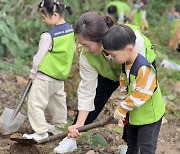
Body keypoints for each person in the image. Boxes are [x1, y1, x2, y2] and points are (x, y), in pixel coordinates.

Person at [53, 12, 156, 154]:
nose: (84, 49)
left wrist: (122, 109)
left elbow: (137, 92)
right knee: (96, 97)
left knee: (134, 103)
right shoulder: (87, 56)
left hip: (136, 70)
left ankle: (129, 144)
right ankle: (72, 138)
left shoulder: (130, 42)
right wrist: (79, 125)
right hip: (110, 72)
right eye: (81, 44)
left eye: (87, 45)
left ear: (101, 39)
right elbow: (87, 90)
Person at [102, 24, 165, 154]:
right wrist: (124, 100)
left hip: (149, 116)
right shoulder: (126, 63)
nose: (112, 59)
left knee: (146, 147)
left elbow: (140, 93)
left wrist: (123, 107)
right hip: (136, 113)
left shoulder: (143, 68)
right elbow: (125, 82)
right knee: (132, 143)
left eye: (114, 55)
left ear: (129, 49)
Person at [23, 0, 75, 141]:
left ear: (55, 14)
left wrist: (33, 73)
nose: (43, 20)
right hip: (59, 77)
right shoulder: (70, 30)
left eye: (44, 16)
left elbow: (38, 57)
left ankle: (41, 133)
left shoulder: (48, 36)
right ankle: (60, 128)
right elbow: (72, 50)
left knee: (35, 104)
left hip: (44, 77)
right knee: (58, 105)